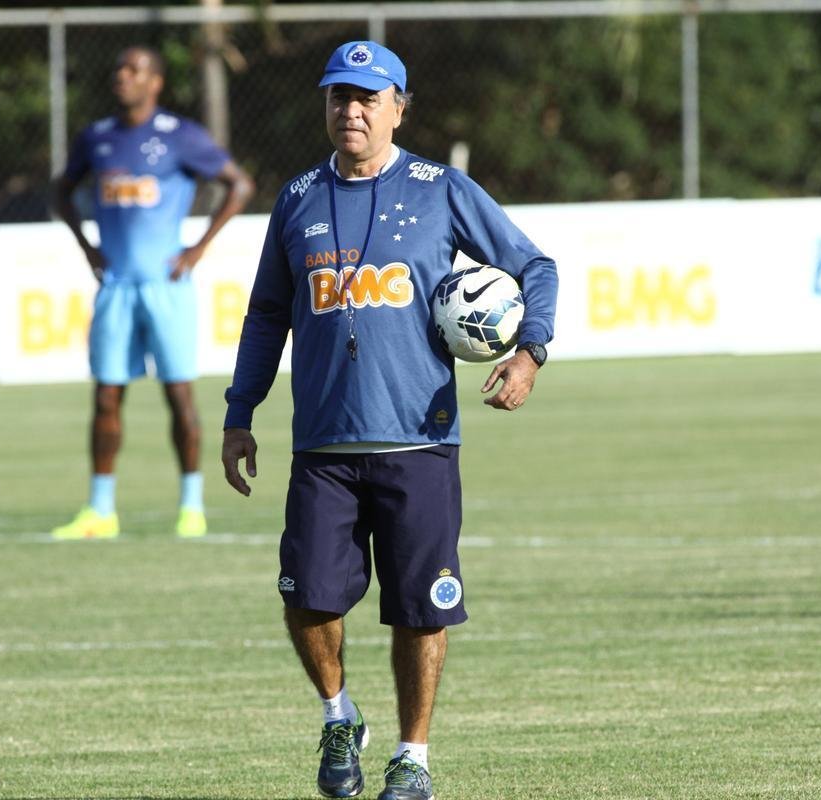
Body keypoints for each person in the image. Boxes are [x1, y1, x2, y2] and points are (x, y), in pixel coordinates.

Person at [221, 41, 557, 800]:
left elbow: (536, 266)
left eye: (369, 97)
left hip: (421, 442)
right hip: (325, 449)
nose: (352, 110)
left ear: (399, 107)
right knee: (305, 597)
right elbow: (267, 312)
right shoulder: (298, 197)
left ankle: (413, 758)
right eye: (340, 96)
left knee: (419, 610)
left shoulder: (441, 189)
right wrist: (241, 411)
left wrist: (530, 351)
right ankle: (339, 714)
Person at [52, 45, 254, 540]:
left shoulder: (179, 136)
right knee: (105, 397)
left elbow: (239, 185)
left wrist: (197, 247)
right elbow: (61, 190)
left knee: (179, 396)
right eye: (119, 67)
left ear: (155, 82)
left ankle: (191, 506)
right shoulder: (96, 138)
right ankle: (100, 510)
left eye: (135, 69)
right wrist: (87, 247)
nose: (122, 76)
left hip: (167, 288)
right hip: (117, 287)